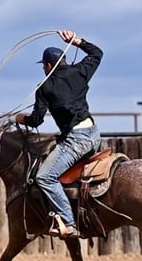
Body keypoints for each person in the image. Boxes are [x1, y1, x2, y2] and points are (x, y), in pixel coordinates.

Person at [15, 30, 103, 238]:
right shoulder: (80, 71)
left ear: (47, 66)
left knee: (44, 177)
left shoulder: (44, 88)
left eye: (44, 66)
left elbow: (36, 120)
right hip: (93, 134)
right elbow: (97, 53)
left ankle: (69, 222)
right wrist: (77, 41)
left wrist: (20, 119)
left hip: (75, 140)